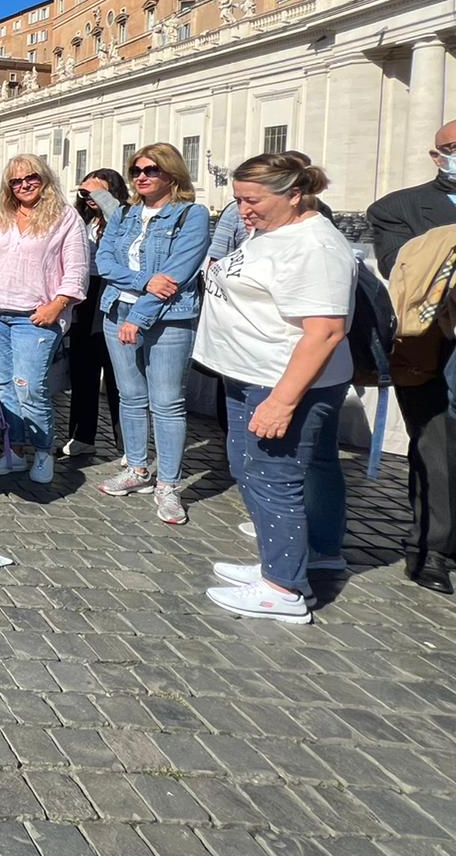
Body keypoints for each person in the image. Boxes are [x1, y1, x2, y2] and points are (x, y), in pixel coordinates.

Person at [194, 154, 354, 622]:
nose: (242, 209)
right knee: (313, 469)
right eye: (238, 199)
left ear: (294, 193)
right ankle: (307, 554)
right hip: (254, 371)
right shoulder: (278, 232)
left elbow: (324, 330)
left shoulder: (313, 246)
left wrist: (282, 401)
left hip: (278, 380)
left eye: (252, 200)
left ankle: (282, 586)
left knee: (267, 476)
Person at [93, 144, 213, 525]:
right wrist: (144, 280)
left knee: (166, 402)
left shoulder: (191, 216)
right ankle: (138, 468)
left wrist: (139, 316)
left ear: (172, 174)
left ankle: (169, 484)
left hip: (168, 317)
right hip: (117, 309)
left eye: (151, 170)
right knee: (130, 396)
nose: (142, 177)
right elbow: (104, 261)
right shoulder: (126, 213)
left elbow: (178, 275)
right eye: (136, 170)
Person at [367, 117, 456, 593]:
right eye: (452, 147)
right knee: (435, 450)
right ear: (436, 154)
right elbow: (399, 268)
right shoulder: (397, 208)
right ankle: (431, 549)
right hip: (434, 348)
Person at [0, 154, 88, 485]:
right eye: (15, 181)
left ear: (44, 177)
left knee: (29, 386)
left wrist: (57, 305)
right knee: (3, 388)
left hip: (35, 315)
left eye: (30, 177)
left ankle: (43, 450)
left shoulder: (65, 217)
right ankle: (14, 452)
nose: (24, 185)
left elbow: (77, 270)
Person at [65, 169, 127, 457]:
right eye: (86, 193)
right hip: (86, 297)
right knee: (83, 370)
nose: (90, 198)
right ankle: (81, 435)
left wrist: (102, 198)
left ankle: (126, 443)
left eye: (98, 192)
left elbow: (123, 226)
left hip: (113, 295)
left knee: (117, 374)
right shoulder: (84, 221)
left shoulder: (125, 216)